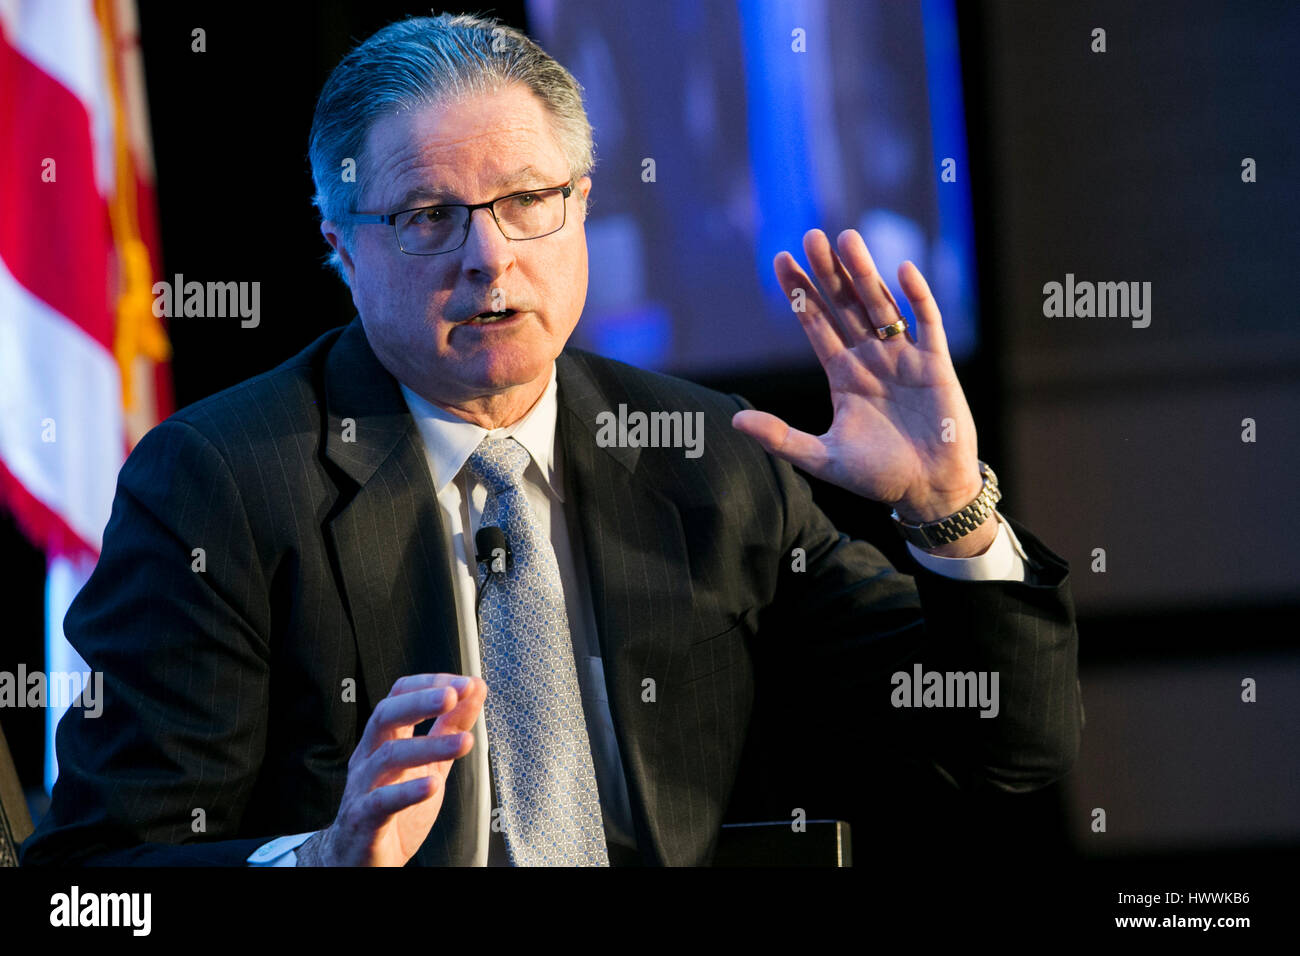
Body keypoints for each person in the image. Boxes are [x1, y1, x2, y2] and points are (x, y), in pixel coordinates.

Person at [21, 13, 1081, 867]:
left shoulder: (704, 457)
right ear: (340, 244)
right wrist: (319, 859)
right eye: (429, 215)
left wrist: (948, 507)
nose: (489, 257)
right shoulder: (222, 482)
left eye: (527, 200)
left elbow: (1005, 745)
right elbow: (98, 879)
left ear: (581, 203)